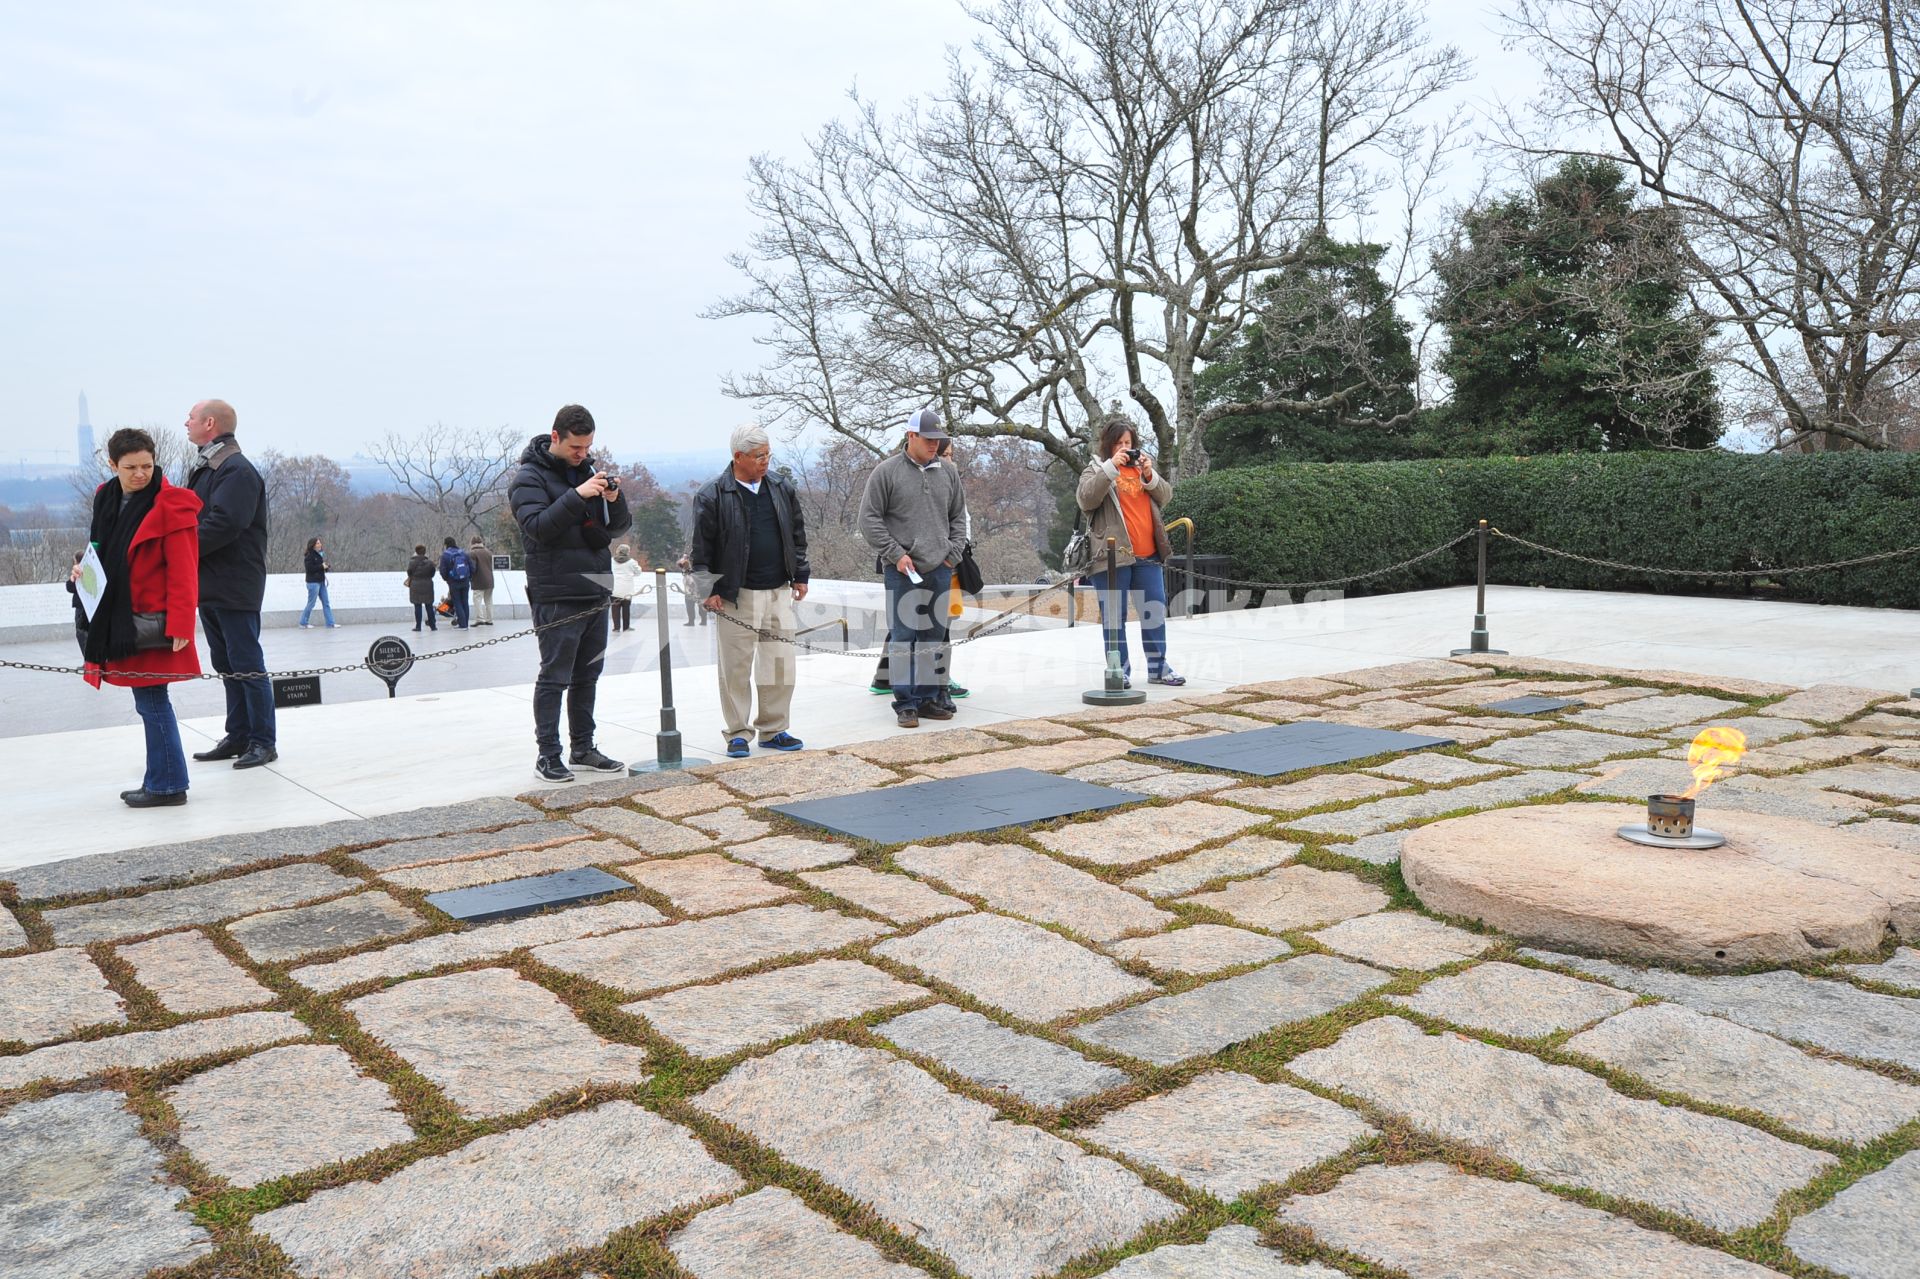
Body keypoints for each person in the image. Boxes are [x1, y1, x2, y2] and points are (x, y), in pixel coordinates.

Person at [74, 428, 203, 807]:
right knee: (148, 701)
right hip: (118, 618)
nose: (141, 474)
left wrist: (182, 623)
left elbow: (185, 569)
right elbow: (99, 548)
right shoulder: (106, 498)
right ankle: (162, 780)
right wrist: (82, 570)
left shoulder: (172, 504)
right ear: (113, 465)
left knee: (152, 700)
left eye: (147, 465)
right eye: (130, 467)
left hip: (150, 623)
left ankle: (167, 786)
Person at [509, 403, 632, 782]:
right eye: (576, 447)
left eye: (588, 447)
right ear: (555, 436)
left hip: (596, 588)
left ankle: (583, 747)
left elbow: (617, 529)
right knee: (554, 676)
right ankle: (548, 754)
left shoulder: (589, 471)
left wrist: (614, 499)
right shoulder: (528, 478)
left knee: (587, 676)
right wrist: (578, 494)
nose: (583, 454)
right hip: (557, 591)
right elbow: (538, 527)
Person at [690, 424, 810, 758]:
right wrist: (707, 588)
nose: (765, 462)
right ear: (737, 456)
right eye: (758, 456)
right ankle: (738, 733)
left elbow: (797, 535)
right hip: (735, 594)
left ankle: (774, 729)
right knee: (735, 668)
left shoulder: (780, 488)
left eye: (768, 455)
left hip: (778, 590)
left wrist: (801, 574)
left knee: (780, 664)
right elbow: (702, 548)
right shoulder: (713, 494)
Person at [184, 399, 277, 769]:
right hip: (212, 583)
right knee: (226, 663)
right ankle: (238, 734)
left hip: (235, 584)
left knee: (247, 663)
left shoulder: (235, 469)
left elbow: (224, 523)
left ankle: (262, 740)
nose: (185, 422)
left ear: (210, 423)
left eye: (191, 416)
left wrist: (181, 550)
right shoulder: (211, 465)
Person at [859, 408, 967, 728]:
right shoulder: (886, 472)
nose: (935, 444)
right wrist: (895, 554)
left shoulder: (948, 473)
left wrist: (953, 553)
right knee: (904, 635)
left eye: (939, 439)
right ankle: (905, 702)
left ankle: (928, 697)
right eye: (929, 439)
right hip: (902, 569)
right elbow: (869, 520)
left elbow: (958, 516)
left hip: (940, 567)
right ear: (911, 437)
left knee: (933, 635)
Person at [1076, 414, 1185, 687]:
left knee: (1155, 611)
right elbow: (1086, 499)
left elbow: (1166, 496)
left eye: (1129, 442)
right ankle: (1119, 671)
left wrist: (1149, 474)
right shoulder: (1095, 470)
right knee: (1115, 618)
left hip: (1148, 556)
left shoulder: (1141, 470)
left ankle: (1158, 668)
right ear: (1108, 446)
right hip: (1112, 558)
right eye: (1119, 443)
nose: (1125, 447)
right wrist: (1111, 467)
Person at [299, 537, 337, 628]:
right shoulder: (309, 556)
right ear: (313, 545)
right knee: (311, 603)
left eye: (320, 543)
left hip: (321, 582)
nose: (320, 545)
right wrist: (321, 566)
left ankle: (330, 623)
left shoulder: (319, 555)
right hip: (313, 583)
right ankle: (303, 622)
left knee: (326, 602)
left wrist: (326, 567)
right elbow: (310, 569)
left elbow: (321, 568)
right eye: (318, 543)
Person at [437, 536, 473, 629]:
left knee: (457, 602)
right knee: (465, 601)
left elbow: (442, 570)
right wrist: (469, 577)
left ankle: (462, 625)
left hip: (453, 582)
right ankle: (466, 624)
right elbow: (472, 567)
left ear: (446, 544)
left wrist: (447, 579)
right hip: (465, 581)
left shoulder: (445, 555)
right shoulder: (463, 553)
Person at [610, 545, 643, 632]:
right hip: (627, 589)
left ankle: (616, 627)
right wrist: (632, 575)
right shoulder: (632, 562)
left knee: (615, 609)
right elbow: (638, 572)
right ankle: (626, 627)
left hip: (614, 587)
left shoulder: (612, 560)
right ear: (627, 552)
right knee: (626, 608)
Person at [406, 544, 438, 631]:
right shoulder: (430, 563)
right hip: (428, 585)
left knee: (417, 606)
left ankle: (418, 626)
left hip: (415, 585)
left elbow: (409, 573)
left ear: (416, 552)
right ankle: (433, 626)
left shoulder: (412, 562)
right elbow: (432, 574)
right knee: (429, 606)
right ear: (425, 552)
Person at [468, 535, 495, 625]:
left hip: (478, 580)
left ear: (472, 543)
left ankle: (480, 619)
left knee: (477, 600)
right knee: (489, 601)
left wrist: (470, 577)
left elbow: (472, 568)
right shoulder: (488, 552)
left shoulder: (472, 553)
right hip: (490, 580)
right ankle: (490, 619)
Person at [677, 556, 707, 627]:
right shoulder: (685, 572)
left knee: (700, 607)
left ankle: (703, 620)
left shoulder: (694, 570)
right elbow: (679, 563)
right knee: (690, 608)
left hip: (697, 592)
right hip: (688, 592)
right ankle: (692, 621)